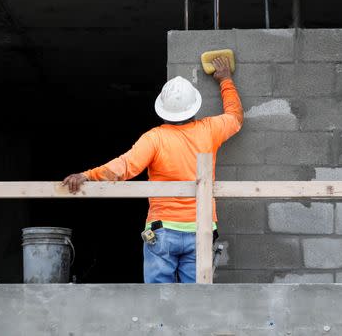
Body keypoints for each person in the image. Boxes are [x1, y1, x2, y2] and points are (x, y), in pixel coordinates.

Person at [61, 56, 242, 283]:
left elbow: (122, 168)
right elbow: (235, 118)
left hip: (162, 230)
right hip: (201, 229)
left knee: (158, 299)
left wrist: (86, 175)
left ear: (163, 111)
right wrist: (225, 80)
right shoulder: (209, 130)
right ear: (194, 108)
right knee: (196, 302)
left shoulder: (154, 138)